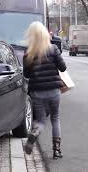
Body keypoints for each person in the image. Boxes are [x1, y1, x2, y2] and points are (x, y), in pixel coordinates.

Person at [23, 22, 67, 160]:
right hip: (54, 91)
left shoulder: (28, 53)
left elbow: (27, 75)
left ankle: (34, 133)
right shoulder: (53, 49)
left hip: (37, 92)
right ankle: (57, 150)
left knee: (40, 120)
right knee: (55, 118)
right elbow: (63, 67)